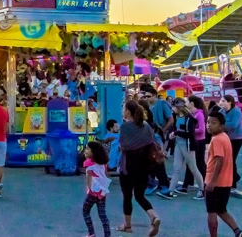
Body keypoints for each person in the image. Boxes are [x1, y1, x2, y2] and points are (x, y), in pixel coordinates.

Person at [117, 100, 161, 236]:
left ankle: (128, 225)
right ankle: (153, 216)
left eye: (124, 109)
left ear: (128, 112)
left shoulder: (124, 127)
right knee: (140, 195)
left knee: (127, 196)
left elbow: (123, 146)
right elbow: (152, 141)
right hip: (143, 166)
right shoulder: (146, 126)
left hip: (127, 166)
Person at [157, 98, 205, 200]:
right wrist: (173, 133)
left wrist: (176, 133)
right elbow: (177, 129)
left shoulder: (189, 119)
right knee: (176, 168)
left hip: (187, 145)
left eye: (174, 107)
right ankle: (170, 191)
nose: (172, 109)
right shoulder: (178, 117)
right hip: (179, 144)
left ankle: (202, 190)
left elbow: (190, 134)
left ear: (179, 107)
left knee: (193, 168)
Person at [204, 111, 242, 237]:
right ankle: (238, 231)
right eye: (208, 122)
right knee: (221, 209)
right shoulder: (224, 137)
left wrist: (212, 181)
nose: (209, 125)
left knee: (212, 212)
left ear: (221, 126)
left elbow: (219, 160)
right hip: (226, 182)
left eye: (213, 123)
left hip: (215, 182)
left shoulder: (217, 140)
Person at [82, 140, 111, 237]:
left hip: (92, 193)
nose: (85, 151)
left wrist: (90, 190)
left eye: (87, 149)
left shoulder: (88, 164)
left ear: (93, 152)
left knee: (85, 211)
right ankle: (107, 234)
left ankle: (91, 233)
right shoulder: (104, 164)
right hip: (102, 192)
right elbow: (106, 176)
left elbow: (89, 178)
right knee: (103, 215)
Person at [179, 95, 207, 194]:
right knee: (190, 163)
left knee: (199, 164)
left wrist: (190, 130)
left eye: (186, 102)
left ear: (192, 103)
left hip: (199, 141)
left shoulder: (199, 114)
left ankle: (204, 186)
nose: (185, 103)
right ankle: (186, 185)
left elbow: (202, 130)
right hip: (192, 140)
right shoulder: (191, 114)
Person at [219, 95, 242, 195]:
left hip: (237, 138)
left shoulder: (236, 111)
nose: (221, 102)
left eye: (223, 101)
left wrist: (222, 125)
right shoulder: (221, 112)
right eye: (221, 100)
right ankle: (235, 176)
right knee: (225, 159)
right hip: (226, 138)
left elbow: (233, 125)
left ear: (230, 102)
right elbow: (216, 121)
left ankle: (233, 184)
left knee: (231, 160)